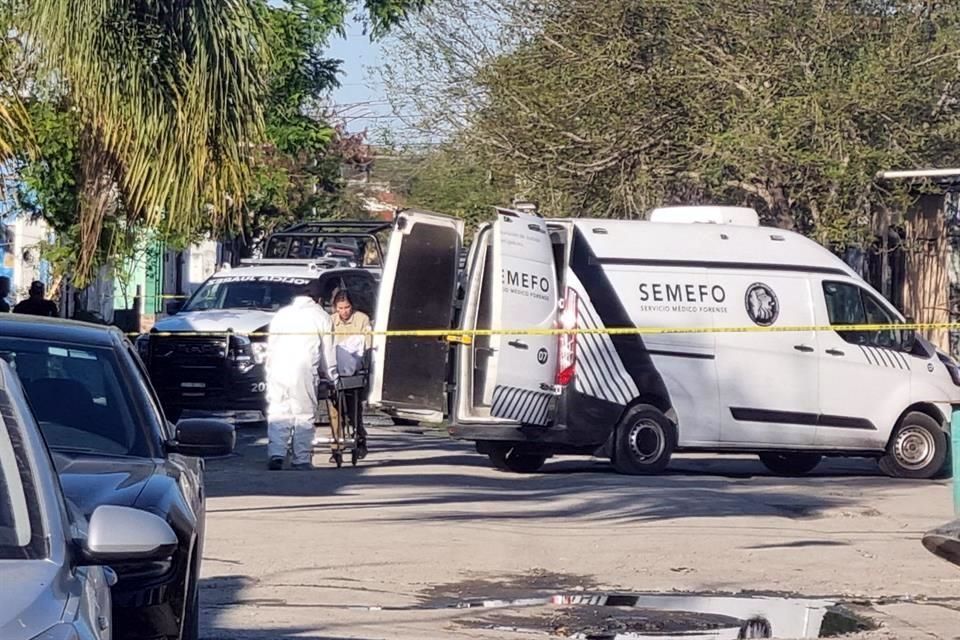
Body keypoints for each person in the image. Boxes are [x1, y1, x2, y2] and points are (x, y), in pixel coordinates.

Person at [264, 279, 338, 471]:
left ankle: (277, 454)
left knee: (279, 412)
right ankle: (301, 459)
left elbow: (271, 347)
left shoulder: (281, 315)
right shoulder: (321, 316)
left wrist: (269, 369)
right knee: (303, 414)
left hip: (278, 370)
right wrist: (333, 377)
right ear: (319, 298)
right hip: (303, 370)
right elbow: (328, 353)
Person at [328, 289, 372, 462]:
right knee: (335, 411)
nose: (344, 312)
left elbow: (367, 347)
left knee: (354, 410)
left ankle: (360, 440)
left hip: (355, 369)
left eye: (347, 307)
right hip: (336, 371)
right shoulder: (330, 321)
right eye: (340, 308)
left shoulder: (362, 319)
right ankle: (336, 448)